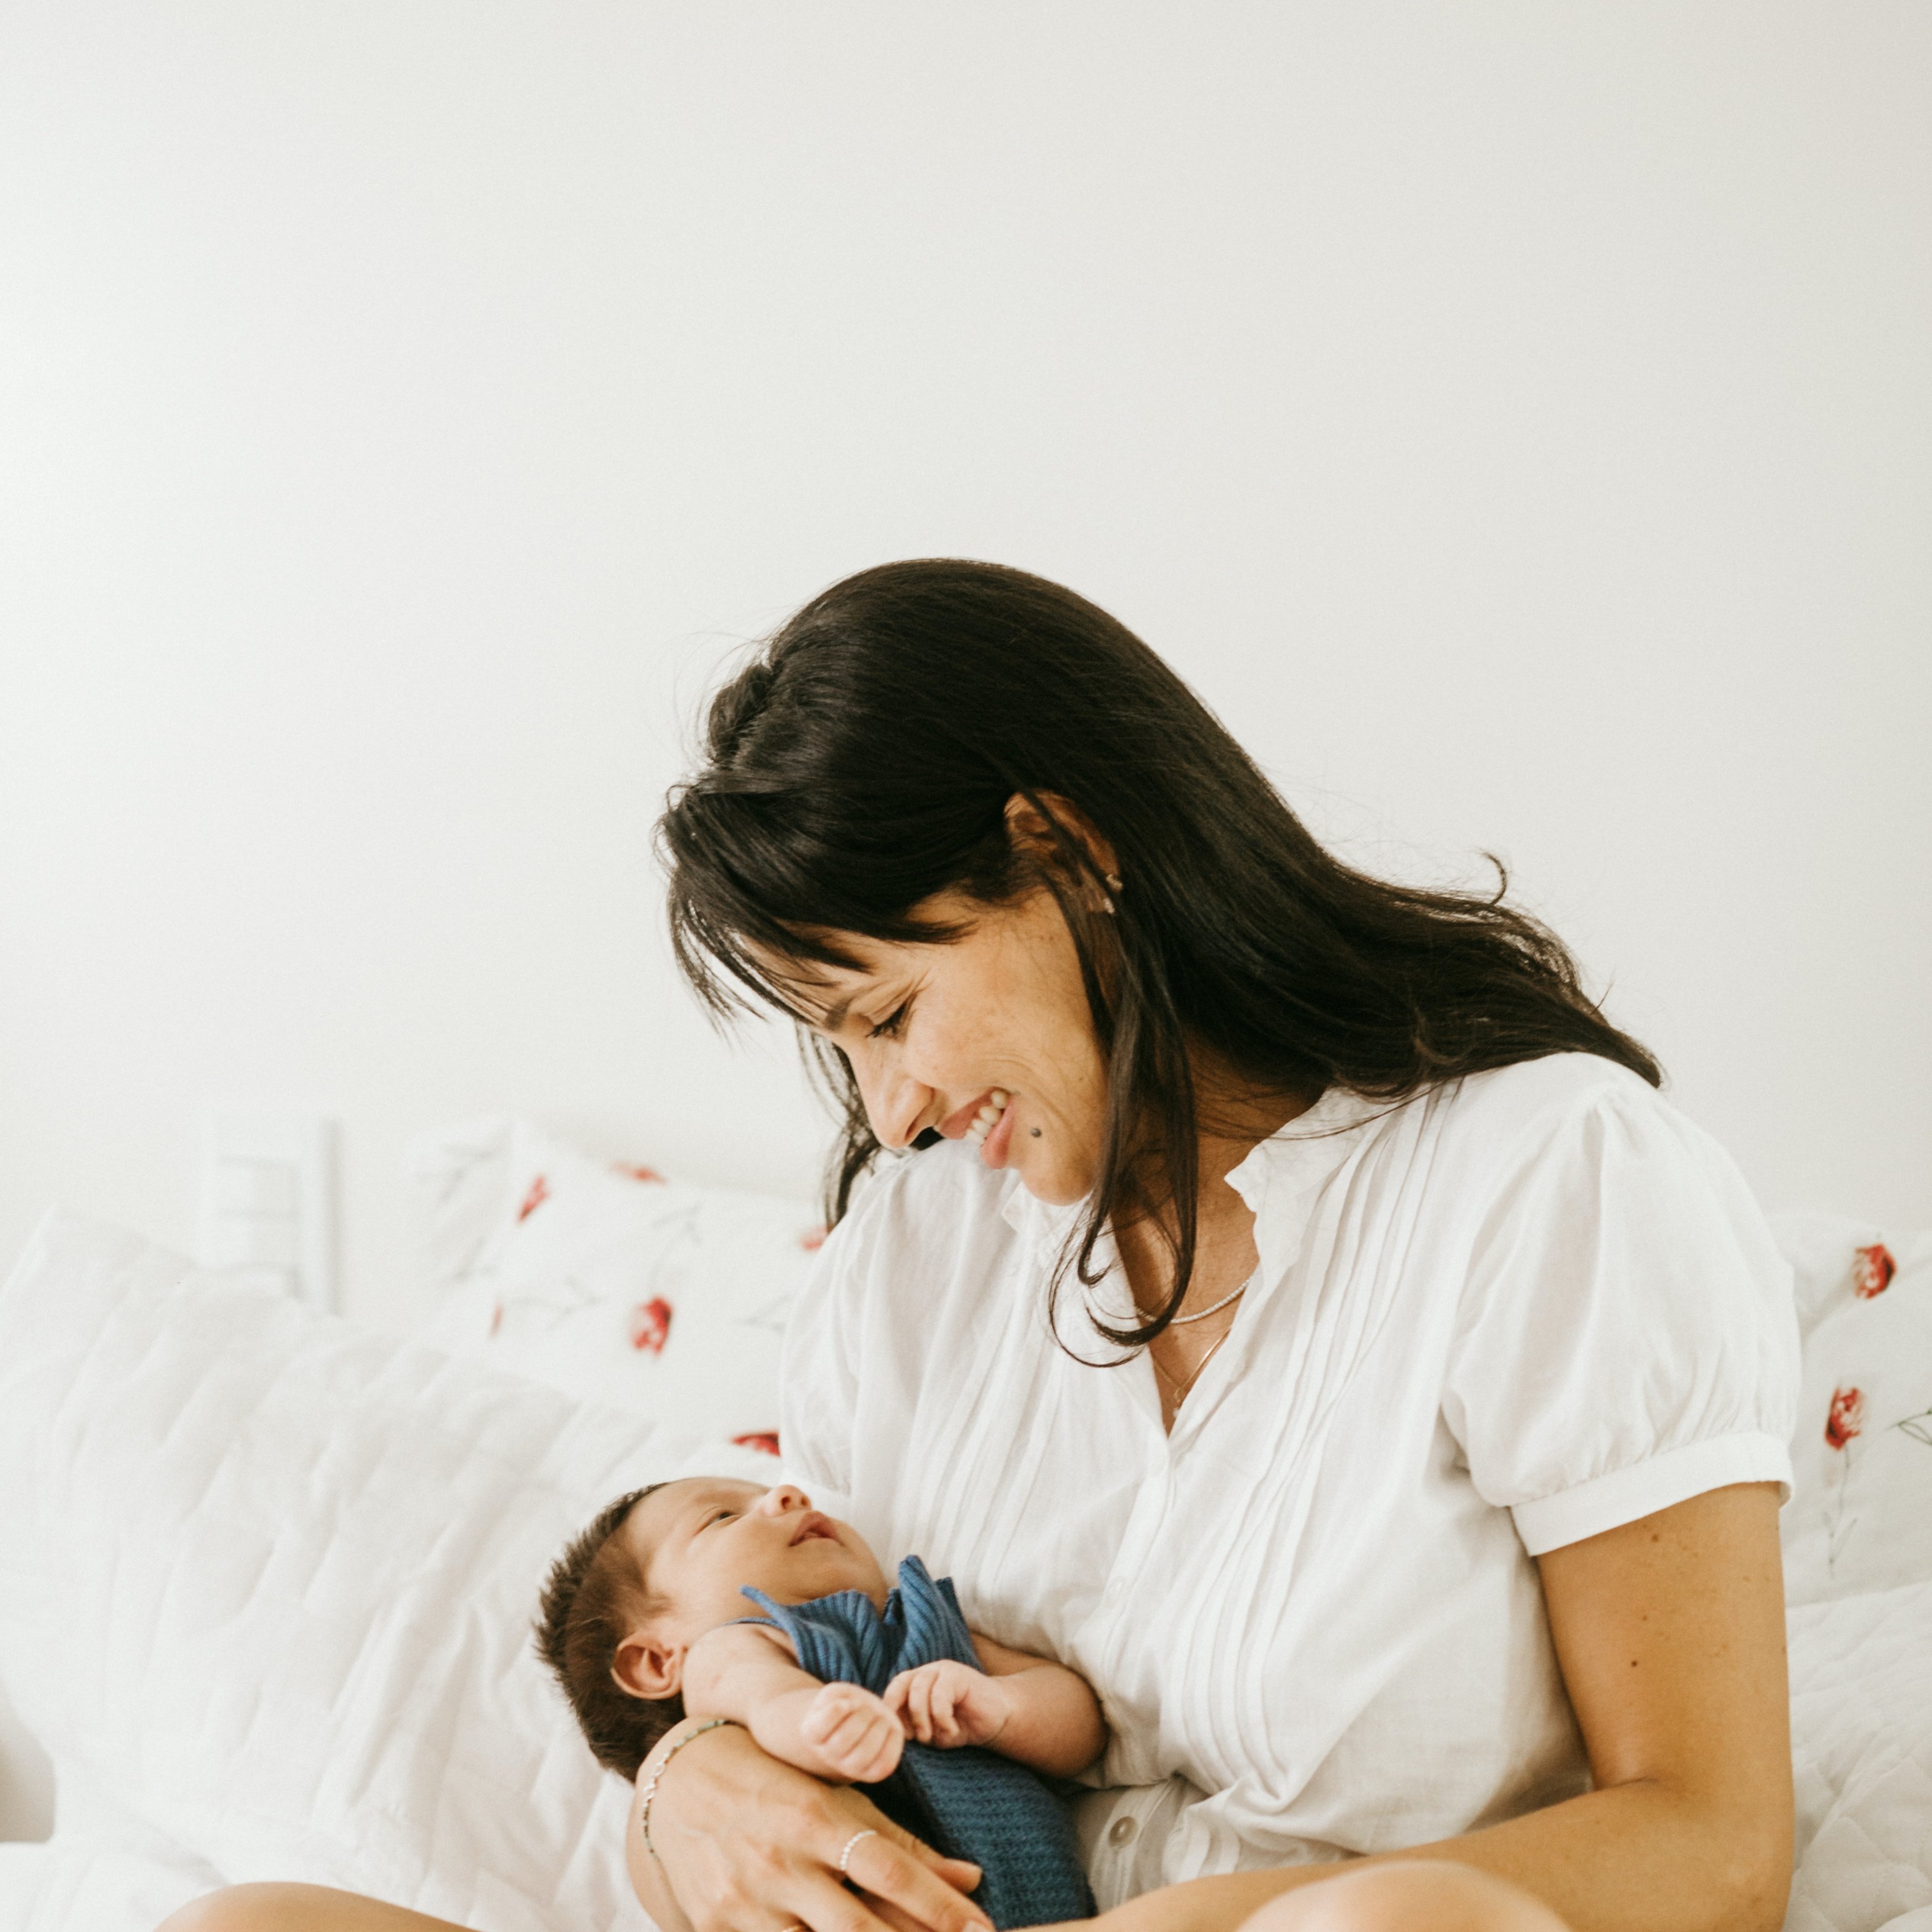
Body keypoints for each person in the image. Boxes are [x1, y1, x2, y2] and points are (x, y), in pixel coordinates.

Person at [164, 559, 1799, 1932]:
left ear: (1067, 853)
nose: (896, 1116)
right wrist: (686, 1789)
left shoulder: (1548, 1180)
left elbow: (1714, 1843)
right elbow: (809, 1683)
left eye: (891, 1015)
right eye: (847, 1054)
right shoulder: (926, 1248)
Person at [533, 1474, 1102, 1928]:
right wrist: (820, 1721)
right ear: (658, 1661)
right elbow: (770, 1700)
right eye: (723, 1516)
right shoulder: (734, 1652)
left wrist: (1002, 1708)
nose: (786, 1493)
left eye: (765, 1491)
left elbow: (1081, 1731)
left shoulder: (923, 1625)